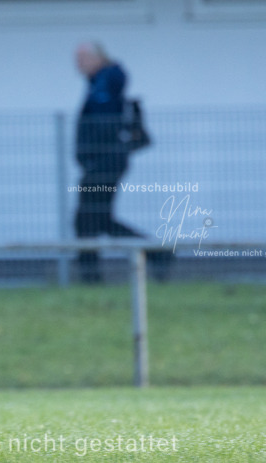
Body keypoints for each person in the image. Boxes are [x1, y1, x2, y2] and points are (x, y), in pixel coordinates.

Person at [73, 42, 169, 283]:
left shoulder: (107, 82)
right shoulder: (100, 83)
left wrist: (93, 156)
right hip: (101, 161)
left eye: (82, 58)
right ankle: (155, 254)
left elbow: (103, 123)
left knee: (89, 217)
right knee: (93, 218)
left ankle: (91, 276)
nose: (78, 64)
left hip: (105, 162)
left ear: (97, 58)